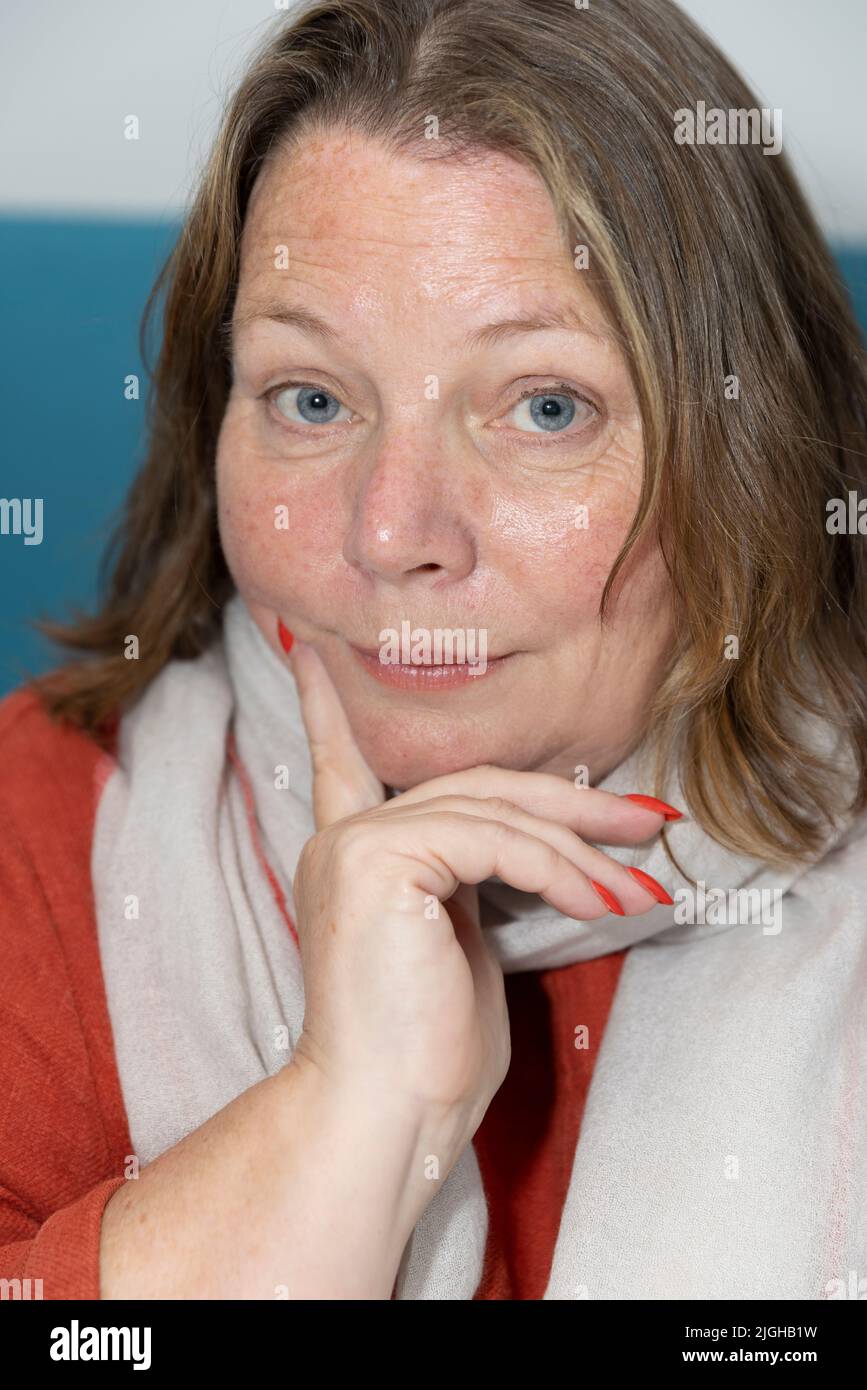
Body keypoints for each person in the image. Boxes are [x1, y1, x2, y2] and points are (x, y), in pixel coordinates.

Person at [2, 0, 865, 1301]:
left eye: (545, 406)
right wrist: (345, 1116)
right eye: (311, 397)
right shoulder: (36, 829)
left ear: (750, 453)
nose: (394, 529)